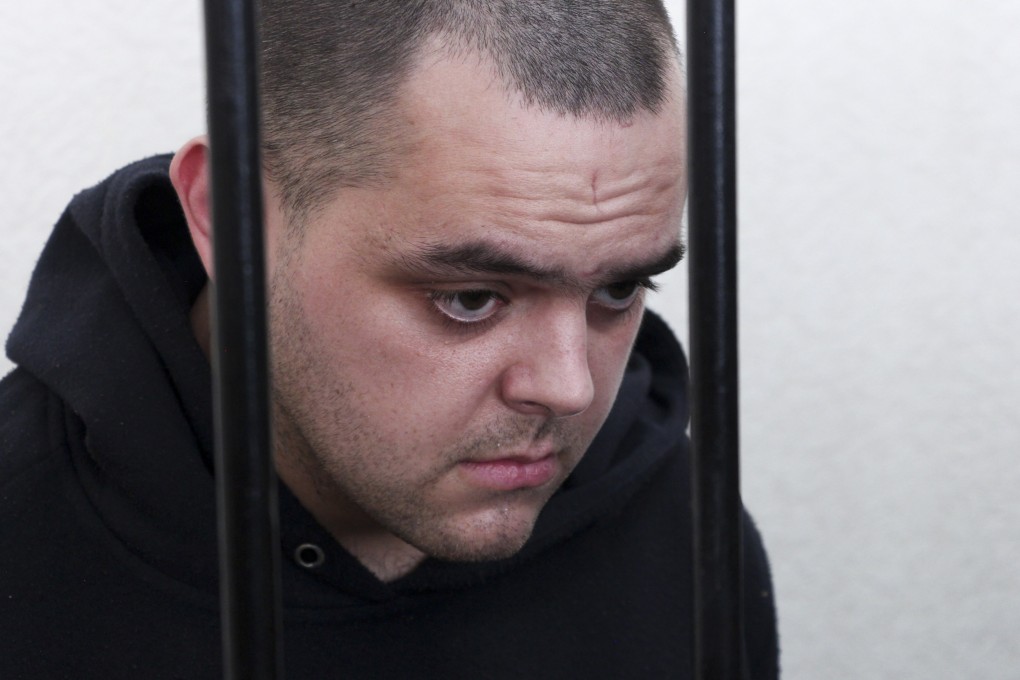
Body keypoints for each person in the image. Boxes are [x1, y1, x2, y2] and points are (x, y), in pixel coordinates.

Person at [0, 1, 778, 677]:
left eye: (618, 290)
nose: (568, 389)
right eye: (470, 299)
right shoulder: (24, 548)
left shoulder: (683, 535)